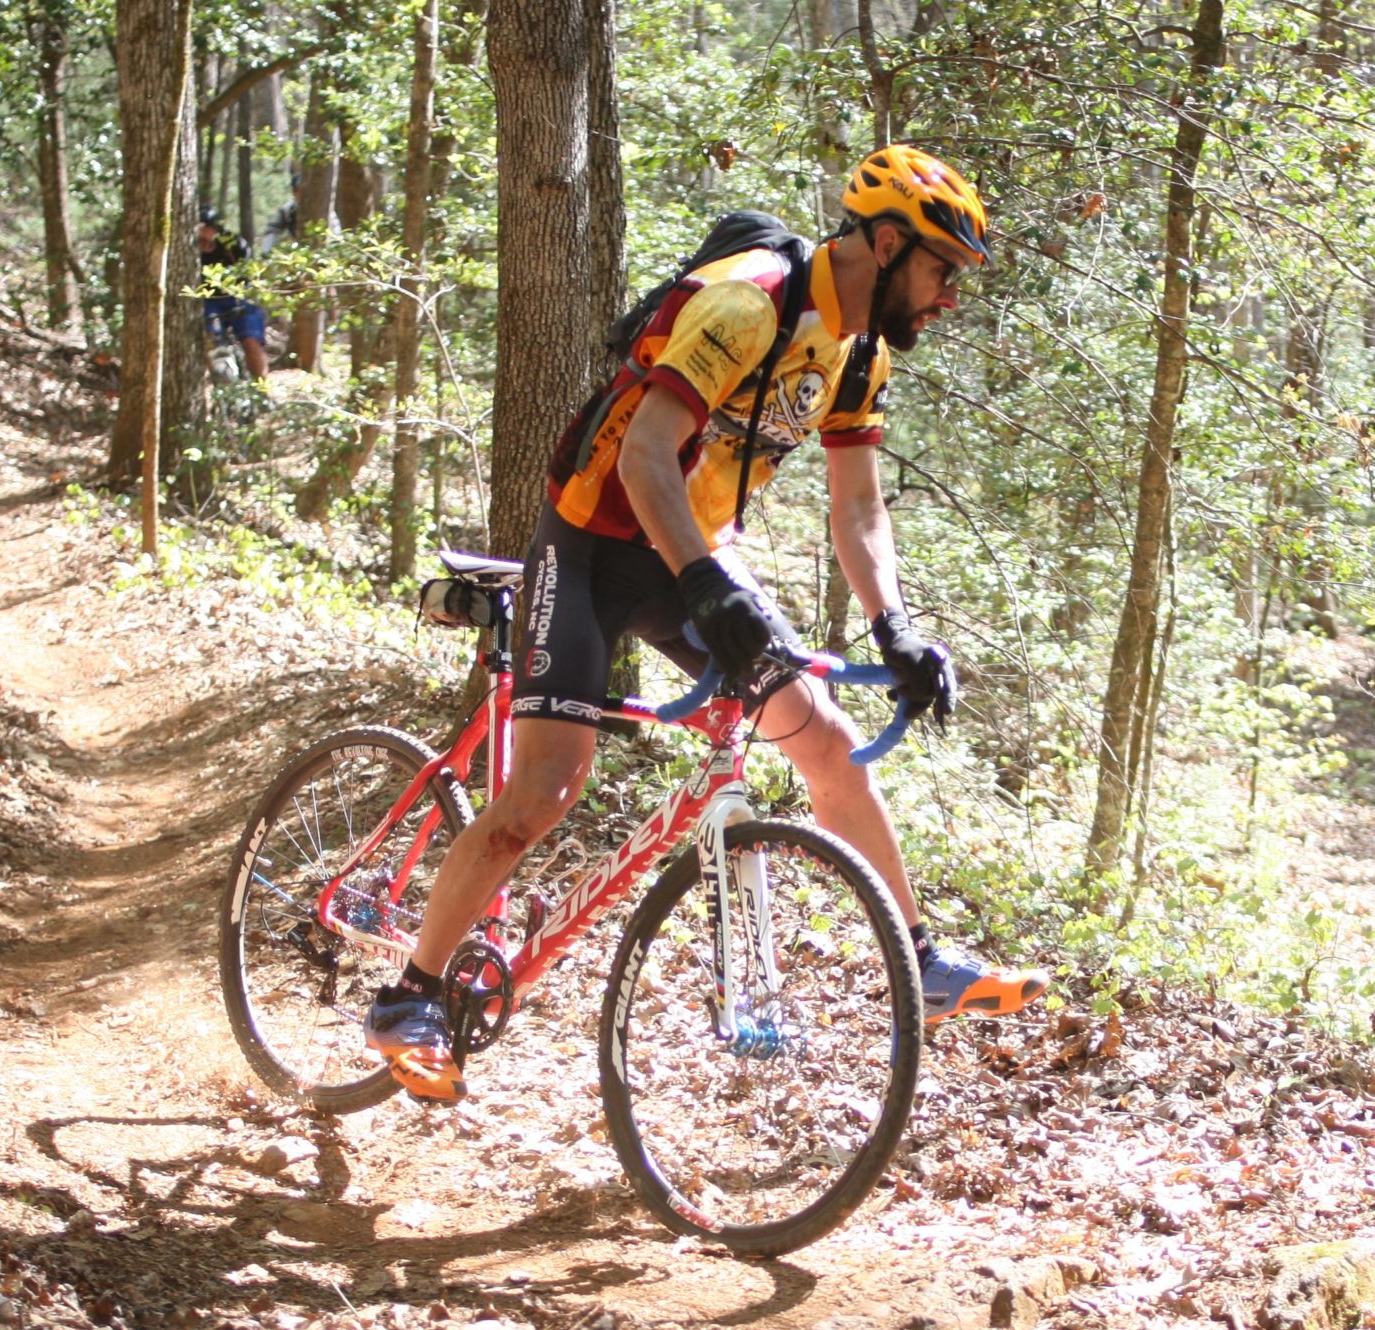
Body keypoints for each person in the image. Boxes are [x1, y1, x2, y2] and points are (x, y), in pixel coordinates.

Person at [366, 145, 1049, 1101]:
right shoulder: (746, 303)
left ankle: (919, 958)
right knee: (544, 795)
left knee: (829, 741)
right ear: (887, 244)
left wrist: (893, 624)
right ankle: (411, 997)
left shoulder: (858, 353)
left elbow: (857, 507)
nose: (950, 297)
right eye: (942, 270)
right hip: (596, 539)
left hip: (693, 544)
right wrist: (706, 585)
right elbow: (647, 455)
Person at [196, 208, 270, 382]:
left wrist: (240, 294)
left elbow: (249, 271)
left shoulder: (233, 244)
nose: (204, 232)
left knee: (251, 341)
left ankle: (261, 389)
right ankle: (222, 387)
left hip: (239, 296)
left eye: (207, 227)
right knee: (211, 342)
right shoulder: (190, 248)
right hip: (209, 300)